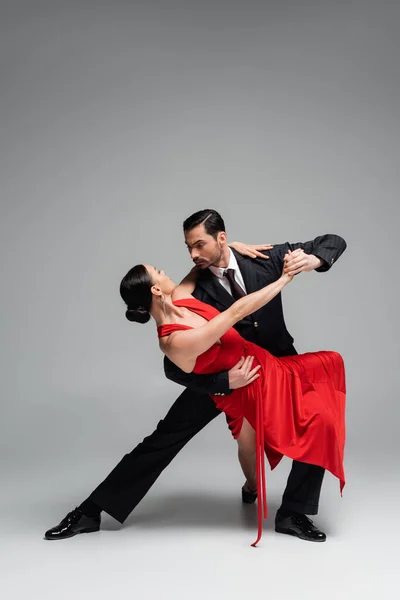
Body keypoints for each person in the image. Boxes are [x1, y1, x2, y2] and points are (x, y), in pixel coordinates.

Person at [44, 210, 347, 543]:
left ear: (220, 238)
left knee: (321, 421)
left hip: (274, 367)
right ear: (155, 291)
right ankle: (90, 511)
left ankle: (292, 513)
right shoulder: (187, 295)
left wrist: (314, 259)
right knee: (162, 441)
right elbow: (175, 365)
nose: (192, 255)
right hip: (219, 377)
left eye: (199, 245)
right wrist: (222, 384)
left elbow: (332, 242)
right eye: (189, 247)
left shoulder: (263, 257)